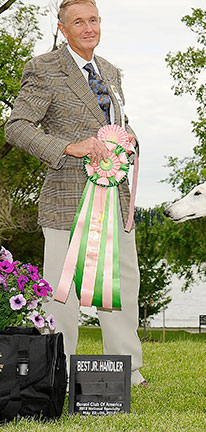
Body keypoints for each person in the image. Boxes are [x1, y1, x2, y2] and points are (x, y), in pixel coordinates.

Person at [5, 0, 146, 386]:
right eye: (78, 22)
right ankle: (59, 371)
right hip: (68, 202)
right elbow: (16, 127)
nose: (88, 28)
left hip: (116, 201)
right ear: (62, 28)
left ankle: (127, 370)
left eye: (94, 20)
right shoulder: (44, 68)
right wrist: (69, 147)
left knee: (121, 287)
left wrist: (129, 139)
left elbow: (115, 125)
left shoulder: (111, 72)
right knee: (62, 294)